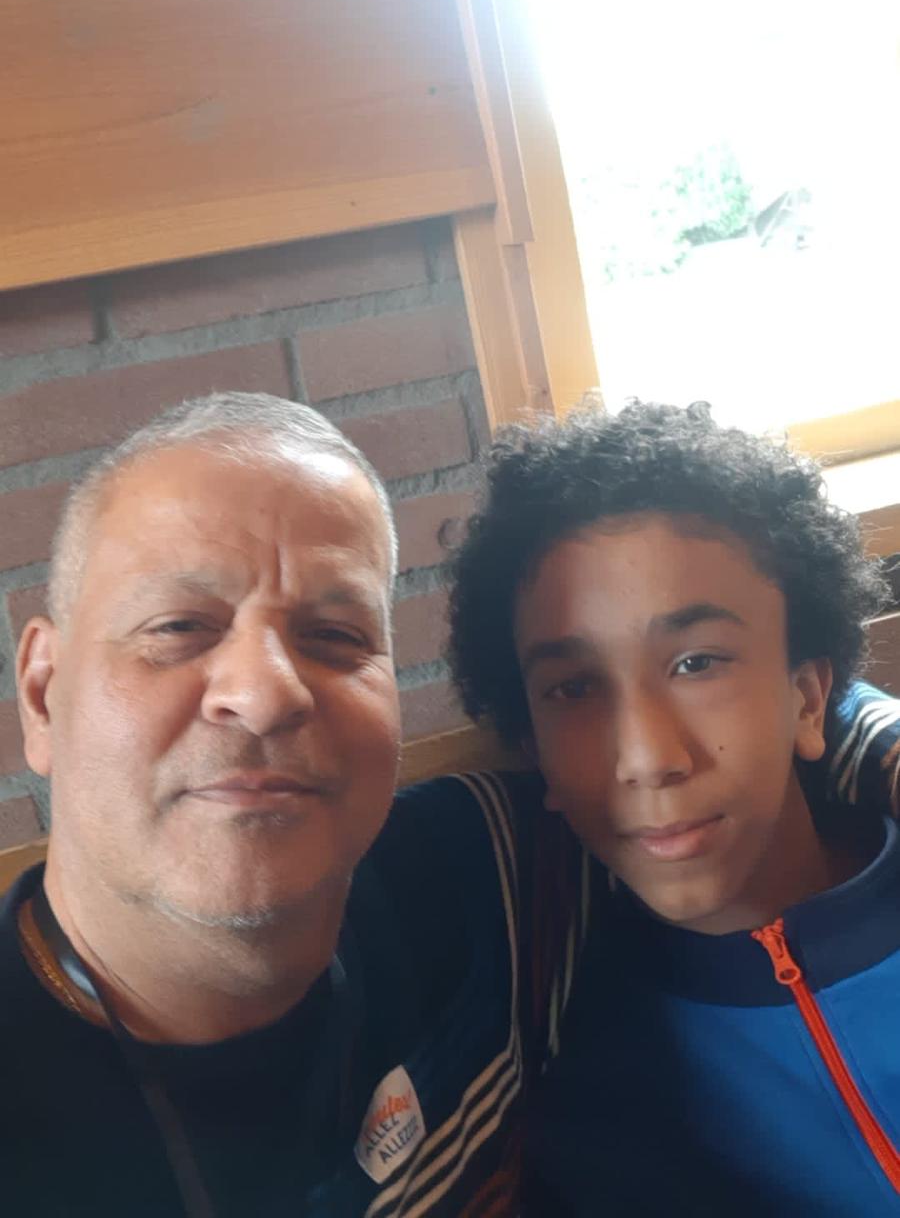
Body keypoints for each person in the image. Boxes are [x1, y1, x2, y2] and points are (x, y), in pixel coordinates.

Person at [5, 391, 548, 1218]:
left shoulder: (488, 875)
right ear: (43, 696)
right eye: (179, 626)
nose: (265, 694)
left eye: (336, 636)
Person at [448, 399, 900, 1216]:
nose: (648, 757)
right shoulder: (588, 1106)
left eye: (696, 663)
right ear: (535, 753)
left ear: (806, 700)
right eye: (574, 689)